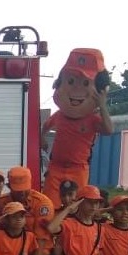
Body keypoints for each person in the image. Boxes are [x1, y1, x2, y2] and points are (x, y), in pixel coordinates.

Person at [42, 48, 114, 206]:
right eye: (71, 82)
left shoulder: (93, 119)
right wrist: (42, 139)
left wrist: (102, 106)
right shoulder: (59, 115)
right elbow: (44, 126)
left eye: (86, 83)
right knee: (49, 204)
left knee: (77, 205)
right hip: (56, 167)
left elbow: (109, 130)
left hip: (78, 169)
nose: (76, 89)